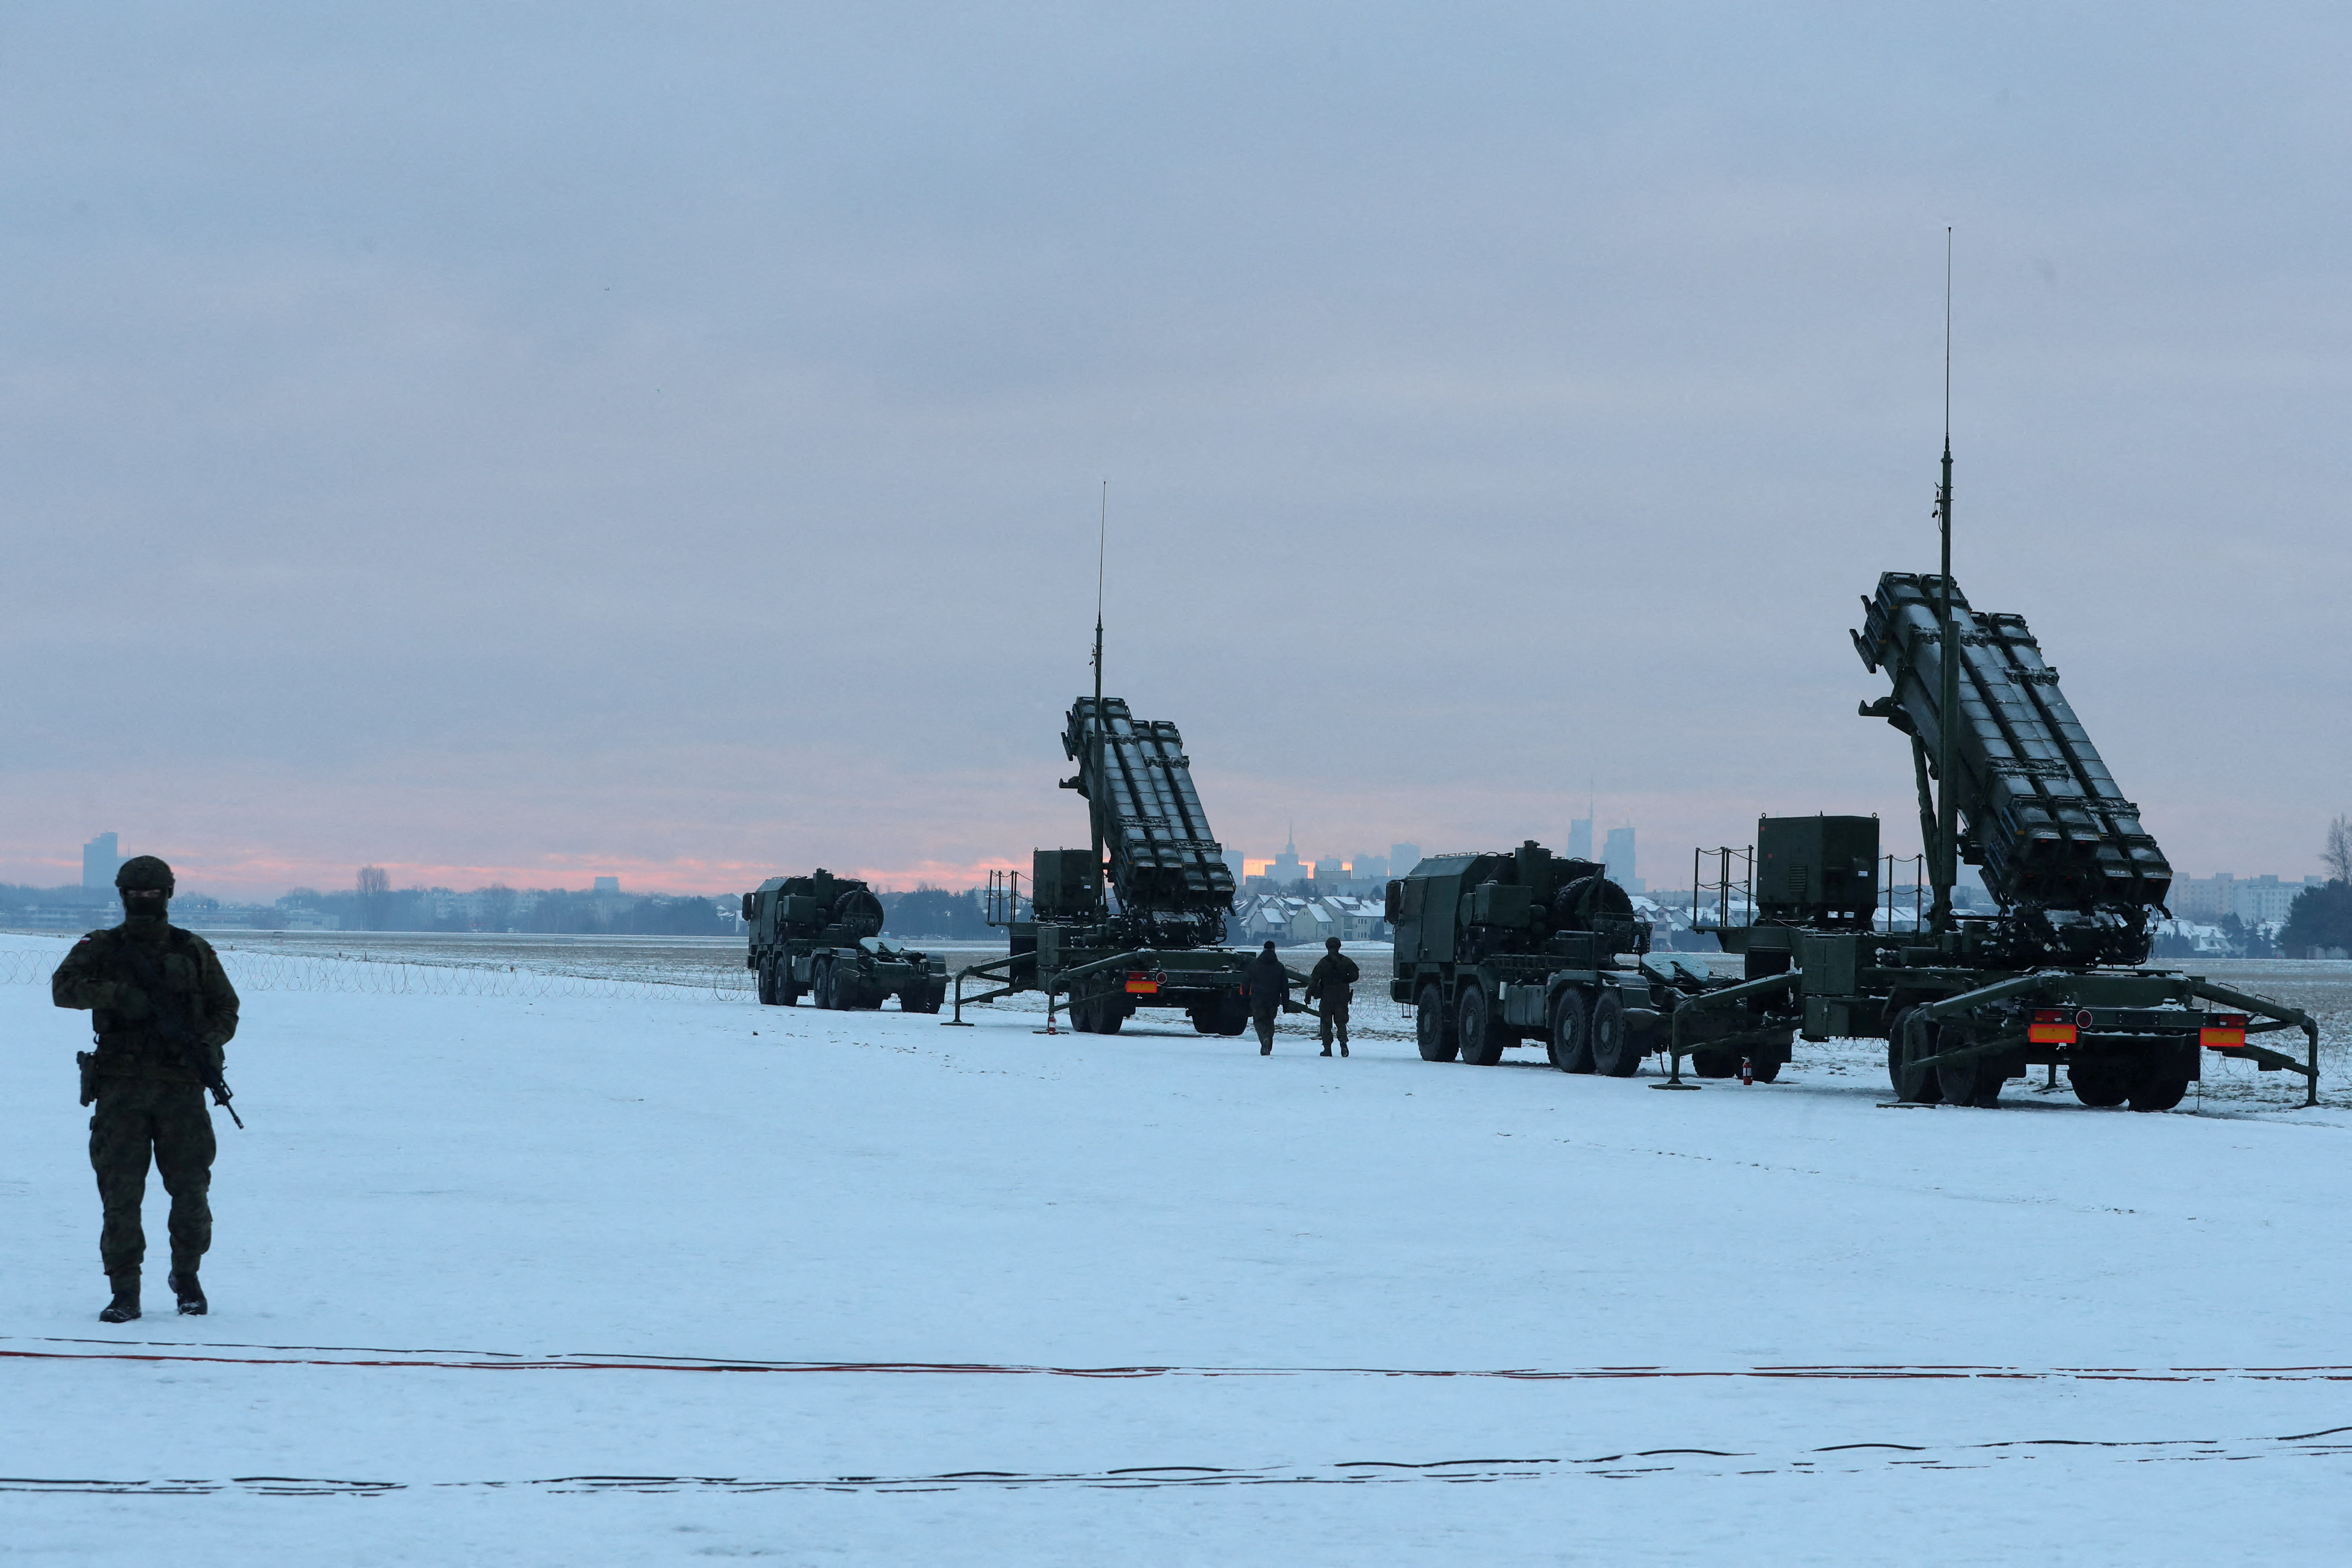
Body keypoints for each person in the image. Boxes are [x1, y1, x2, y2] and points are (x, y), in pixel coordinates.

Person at [50, 856, 241, 1323]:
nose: (145, 901)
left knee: (191, 1190)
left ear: (168, 894)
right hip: (121, 1090)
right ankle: (125, 1289)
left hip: (180, 1090)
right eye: (137, 894)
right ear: (122, 896)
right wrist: (114, 995)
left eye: (153, 893)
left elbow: (226, 1009)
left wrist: (202, 1043)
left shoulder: (192, 949)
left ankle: (187, 1277)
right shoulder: (101, 947)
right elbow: (63, 988)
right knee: (120, 1194)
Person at [1308, 936, 1359, 1057]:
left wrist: (1308, 995)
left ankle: (1327, 1049)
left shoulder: (1323, 962)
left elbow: (1314, 980)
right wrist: (1345, 981)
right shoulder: (1346, 961)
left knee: (1326, 1023)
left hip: (1327, 996)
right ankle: (1343, 1042)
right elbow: (1355, 975)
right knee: (1341, 1022)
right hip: (1342, 996)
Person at [1240, 939, 1292, 1056]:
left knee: (1259, 1022)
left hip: (1258, 1000)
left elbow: (1246, 982)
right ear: (1274, 950)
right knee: (1270, 1023)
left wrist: (1245, 997)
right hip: (1273, 1001)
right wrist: (1286, 1003)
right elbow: (1285, 987)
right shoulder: (1279, 967)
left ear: (1263, 950)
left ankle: (1264, 1040)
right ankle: (1268, 1044)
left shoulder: (1254, 965)